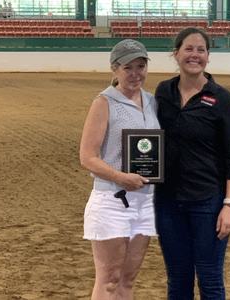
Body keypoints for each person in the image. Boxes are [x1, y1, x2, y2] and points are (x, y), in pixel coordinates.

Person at [154, 27, 230, 299]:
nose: (194, 55)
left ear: (208, 56)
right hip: (168, 202)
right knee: (178, 279)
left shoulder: (223, 100)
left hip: (208, 202)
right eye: (188, 49)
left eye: (201, 50)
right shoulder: (163, 92)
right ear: (176, 53)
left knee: (210, 278)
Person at [79, 39, 159, 299]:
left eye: (141, 65)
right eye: (128, 67)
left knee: (128, 280)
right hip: (112, 201)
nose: (136, 73)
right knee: (109, 280)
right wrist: (120, 177)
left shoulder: (151, 102)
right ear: (115, 69)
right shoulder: (103, 103)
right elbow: (87, 157)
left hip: (145, 202)